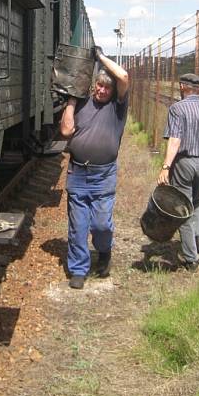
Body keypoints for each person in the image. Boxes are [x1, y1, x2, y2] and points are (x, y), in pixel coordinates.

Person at [59, 47, 130, 289]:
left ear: (112, 92)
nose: (101, 90)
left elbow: (123, 77)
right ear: (94, 86)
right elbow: (66, 131)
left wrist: (99, 58)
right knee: (78, 226)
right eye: (99, 86)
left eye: (106, 88)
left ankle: (104, 251)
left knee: (101, 225)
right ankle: (79, 269)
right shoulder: (82, 104)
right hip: (78, 173)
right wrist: (70, 100)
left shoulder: (117, 107)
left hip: (103, 176)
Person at [157, 73, 199, 271]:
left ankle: (191, 257)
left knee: (182, 209)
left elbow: (175, 139)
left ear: (182, 87)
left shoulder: (177, 109)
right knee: (198, 200)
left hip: (185, 164)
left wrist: (166, 167)